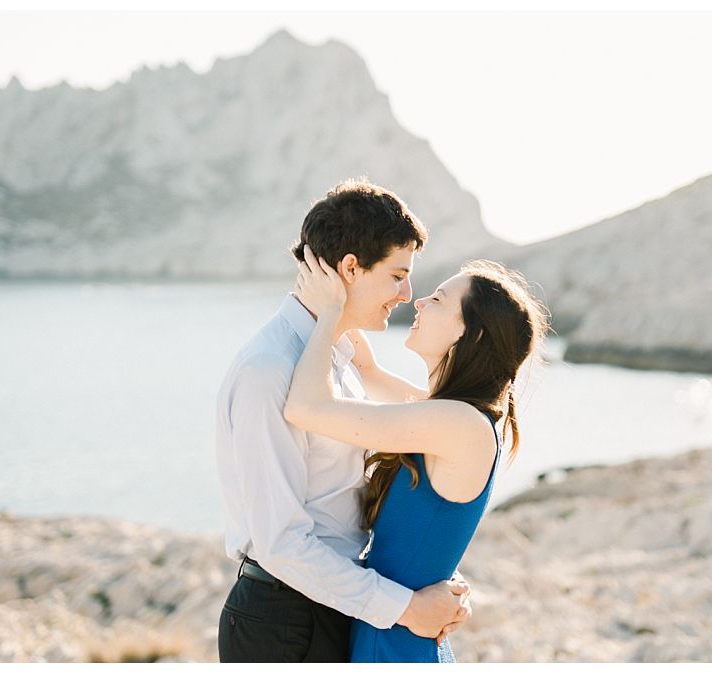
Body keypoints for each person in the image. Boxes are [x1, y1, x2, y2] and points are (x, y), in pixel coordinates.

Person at [215, 179, 472, 663]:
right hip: (283, 621)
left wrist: (429, 572)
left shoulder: (334, 356)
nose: (406, 294)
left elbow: (348, 497)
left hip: (330, 603)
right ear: (351, 268)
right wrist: (407, 608)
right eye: (397, 275)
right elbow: (282, 543)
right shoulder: (270, 370)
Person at [286, 246, 549, 662]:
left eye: (440, 299)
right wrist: (339, 294)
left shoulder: (458, 425)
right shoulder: (448, 417)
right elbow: (370, 374)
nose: (420, 300)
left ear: (471, 335)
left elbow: (305, 409)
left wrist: (331, 312)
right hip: (397, 632)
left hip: (396, 644)